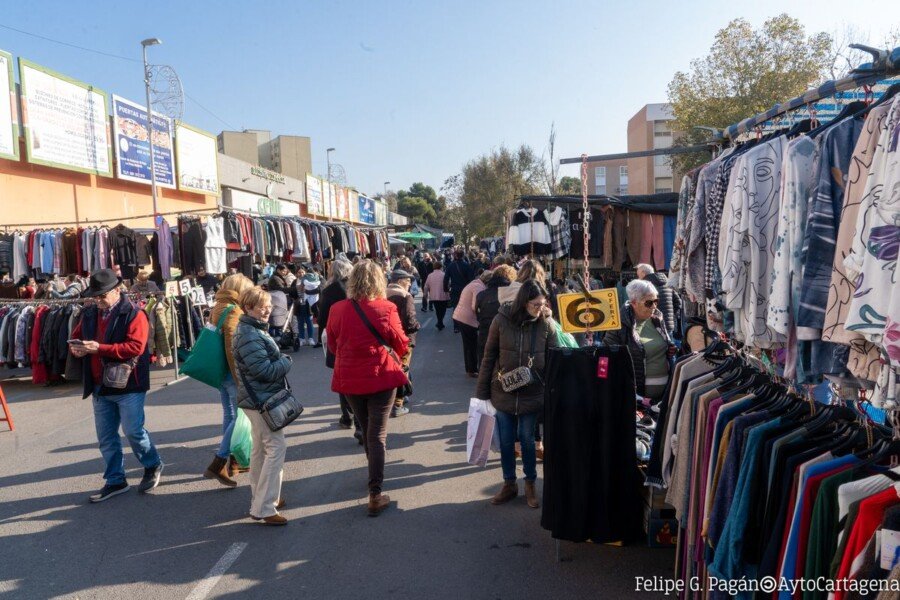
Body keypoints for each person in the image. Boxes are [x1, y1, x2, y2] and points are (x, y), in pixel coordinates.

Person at [69, 269, 162, 502]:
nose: (98, 300)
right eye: (95, 296)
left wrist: (97, 348)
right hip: (101, 385)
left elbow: (135, 348)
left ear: (117, 291)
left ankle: (152, 464)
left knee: (134, 431)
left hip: (129, 384)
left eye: (102, 295)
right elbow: (76, 336)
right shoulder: (90, 313)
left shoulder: (133, 313)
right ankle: (115, 479)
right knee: (106, 437)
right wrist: (77, 348)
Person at [326, 260, 409, 517]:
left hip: (350, 378)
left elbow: (331, 344)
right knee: (377, 434)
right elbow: (401, 342)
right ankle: (375, 491)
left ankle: (373, 481)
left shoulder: (337, 308)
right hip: (381, 376)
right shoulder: (386, 307)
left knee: (365, 428)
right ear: (378, 282)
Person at [476, 280, 558, 508]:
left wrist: (552, 391)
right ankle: (509, 483)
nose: (540, 309)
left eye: (542, 304)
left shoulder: (546, 324)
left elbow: (555, 359)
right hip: (503, 391)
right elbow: (488, 355)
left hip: (532, 393)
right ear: (523, 302)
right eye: (535, 304)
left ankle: (530, 483)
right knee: (505, 441)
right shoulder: (501, 320)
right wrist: (482, 391)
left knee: (527, 439)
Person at [232, 287, 293, 525]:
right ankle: (264, 507)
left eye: (268, 305)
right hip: (260, 400)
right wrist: (285, 361)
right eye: (261, 306)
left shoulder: (251, 329)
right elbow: (263, 370)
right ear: (248, 308)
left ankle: (264, 499)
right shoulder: (249, 333)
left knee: (260, 449)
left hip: (255, 399)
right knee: (275, 447)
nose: (267, 309)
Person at [205, 273, 255, 487]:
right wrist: (240, 378)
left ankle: (232, 462)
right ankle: (219, 461)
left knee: (231, 415)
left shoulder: (219, 306)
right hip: (231, 372)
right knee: (240, 417)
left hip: (220, 371)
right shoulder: (233, 310)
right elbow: (232, 347)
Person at [603, 279, 676, 406]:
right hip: (637, 399)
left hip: (664, 396)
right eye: (649, 303)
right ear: (634, 303)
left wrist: (670, 350)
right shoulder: (619, 324)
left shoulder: (657, 318)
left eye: (656, 301)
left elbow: (662, 348)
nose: (654, 306)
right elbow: (607, 360)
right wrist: (636, 397)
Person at [317, 258, 361, 441]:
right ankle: (359, 422)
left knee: (342, 379)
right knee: (358, 380)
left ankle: (347, 417)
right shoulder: (358, 287)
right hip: (358, 338)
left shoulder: (329, 291)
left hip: (338, 340)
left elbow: (322, 320)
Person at [386, 269, 420, 417]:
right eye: (408, 280)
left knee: (390, 369)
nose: (410, 283)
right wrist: (417, 326)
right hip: (403, 339)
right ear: (400, 281)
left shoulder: (382, 294)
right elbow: (410, 320)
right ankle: (397, 404)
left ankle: (392, 399)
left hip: (386, 339)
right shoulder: (405, 296)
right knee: (402, 369)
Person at [474, 264, 516, 366]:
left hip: (485, 333)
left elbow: (477, 313)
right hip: (507, 335)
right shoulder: (514, 294)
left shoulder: (482, 294)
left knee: (486, 363)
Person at [453, 270, 490, 377]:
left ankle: (470, 368)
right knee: (472, 345)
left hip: (461, 316)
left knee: (468, 344)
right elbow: (475, 306)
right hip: (467, 318)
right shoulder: (479, 287)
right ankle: (472, 369)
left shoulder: (474, 283)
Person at [636, 263, 682, 340]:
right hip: (668, 324)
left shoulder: (645, 287)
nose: (638, 278)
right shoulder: (667, 283)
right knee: (670, 348)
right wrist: (671, 316)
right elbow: (678, 302)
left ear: (643, 273)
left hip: (652, 325)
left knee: (655, 350)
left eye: (638, 275)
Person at [424, 260, 450, 330]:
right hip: (443, 295)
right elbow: (448, 284)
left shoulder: (430, 275)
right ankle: (440, 322)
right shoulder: (444, 275)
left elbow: (426, 285)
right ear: (441, 267)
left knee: (437, 310)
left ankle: (439, 322)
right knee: (443, 310)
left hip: (434, 296)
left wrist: (425, 294)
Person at [301, 269, 322, 344]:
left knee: (308, 321)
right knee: (314, 320)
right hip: (316, 302)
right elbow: (320, 289)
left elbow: (320, 290)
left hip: (307, 302)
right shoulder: (319, 279)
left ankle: (307, 339)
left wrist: (306, 291)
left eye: (302, 272)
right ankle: (315, 339)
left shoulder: (303, 280)